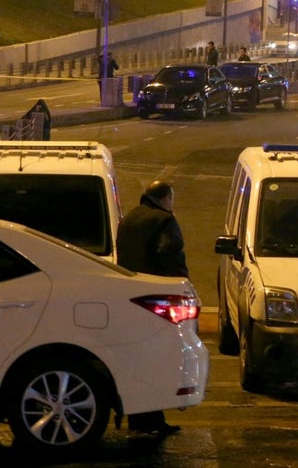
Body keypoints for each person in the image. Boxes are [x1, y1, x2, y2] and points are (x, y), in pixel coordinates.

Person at [116, 180, 187, 437]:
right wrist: (183, 284)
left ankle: (140, 417)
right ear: (166, 197)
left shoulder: (129, 219)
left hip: (131, 298)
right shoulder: (163, 220)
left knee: (138, 359)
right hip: (156, 299)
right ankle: (153, 417)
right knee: (158, 360)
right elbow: (171, 253)